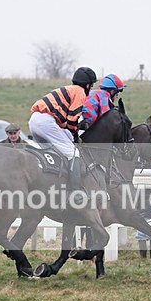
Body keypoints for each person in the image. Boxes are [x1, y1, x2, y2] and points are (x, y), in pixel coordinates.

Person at [28, 66, 97, 202]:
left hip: (34, 121)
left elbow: (65, 123)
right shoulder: (80, 92)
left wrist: (72, 132)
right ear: (88, 84)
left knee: (53, 154)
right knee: (73, 153)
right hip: (46, 122)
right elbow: (72, 119)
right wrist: (75, 134)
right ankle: (76, 193)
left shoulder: (68, 89)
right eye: (91, 85)